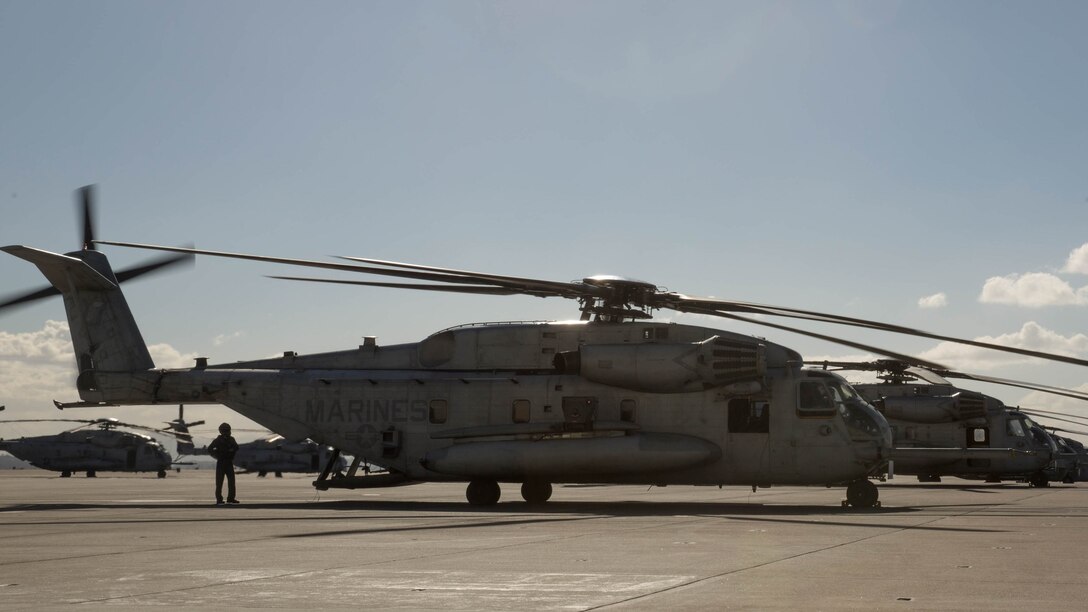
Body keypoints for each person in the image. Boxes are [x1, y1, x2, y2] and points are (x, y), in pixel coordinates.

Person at [208, 422, 239, 504]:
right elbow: (210, 449)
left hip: (228, 462)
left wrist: (231, 451)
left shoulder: (231, 439)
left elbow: (236, 447)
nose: (227, 432)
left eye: (227, 430)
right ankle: (219, 499)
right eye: (225, 430)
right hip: (222, 462)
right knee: (219, 482)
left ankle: (230, 498)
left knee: (231, 482)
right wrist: (217, 455)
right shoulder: (218, 440)